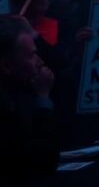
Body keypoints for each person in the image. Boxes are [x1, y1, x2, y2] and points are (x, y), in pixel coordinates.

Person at [0, 15, 60, 180]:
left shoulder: (19, 92)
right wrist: (43, 97)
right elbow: (42, 162)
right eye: (32, 55)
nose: (39, 61)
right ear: (6, 65)